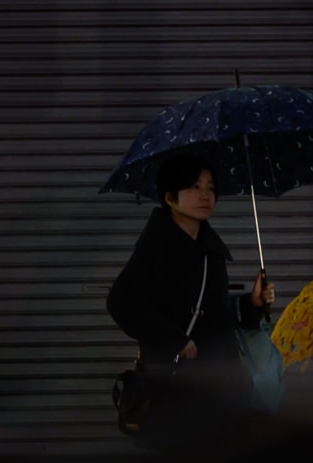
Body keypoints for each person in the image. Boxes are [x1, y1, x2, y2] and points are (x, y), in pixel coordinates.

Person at [104, 150, 276, 417]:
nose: (206, 195)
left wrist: (252, 302)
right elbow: (120, 301)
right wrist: (175, 341)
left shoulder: (211, 250)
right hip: (179, 387)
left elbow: (217, 314)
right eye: (195, 187)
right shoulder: (157, 246)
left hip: (221, 383)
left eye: (211, 188)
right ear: (170, 197)